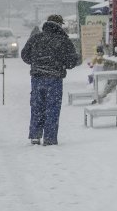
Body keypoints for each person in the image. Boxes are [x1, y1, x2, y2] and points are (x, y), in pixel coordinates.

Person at [21, 14, 78, 146]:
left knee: (37, 106)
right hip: (54, 79)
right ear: (60, 25)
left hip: (37, 78)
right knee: (52, 108)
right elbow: (71, 61)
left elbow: (24, 55)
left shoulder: (36, 38)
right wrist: (62, 64)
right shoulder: (63, 41)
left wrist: (35, 63)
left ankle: (35, 135)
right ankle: (50, 138)